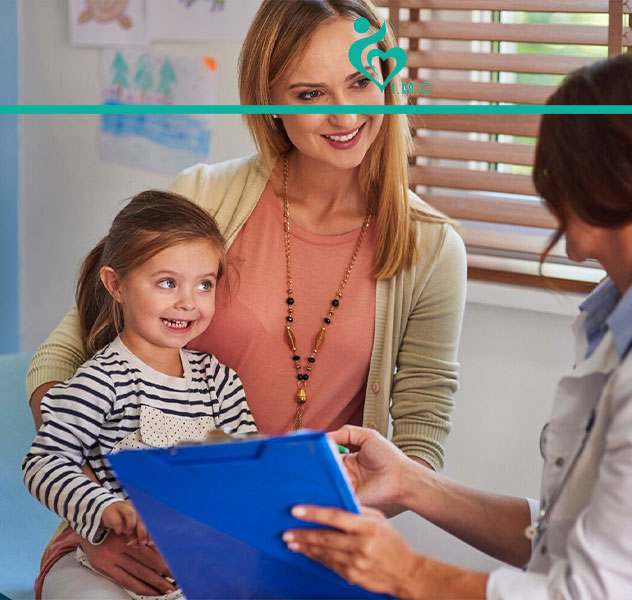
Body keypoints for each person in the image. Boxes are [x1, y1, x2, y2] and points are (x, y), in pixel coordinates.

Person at [281, 52, 632, 599]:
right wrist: (410, 483)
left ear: (602, 181)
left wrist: (408, 573)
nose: (547, 194)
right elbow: (562, 536)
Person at [26, 0, 466, 597]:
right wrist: (99, 522)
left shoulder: (432, 248)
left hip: (298, 546)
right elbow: (62, 357)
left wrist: (293, 528)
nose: (345, 114)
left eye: (361, 82)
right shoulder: (206, 196)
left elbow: (417, 443)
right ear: (270, 101)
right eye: (310, 94)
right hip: (133, 543)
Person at [23, 191, 258, 600]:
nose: (188, 303)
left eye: (204, 285)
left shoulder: (221, 382)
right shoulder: (101, 380)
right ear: (116, 284)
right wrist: (101, 508)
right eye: (167, 283)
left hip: (200, 572)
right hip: (116, 574)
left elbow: (251, 471)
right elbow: (44, 462)